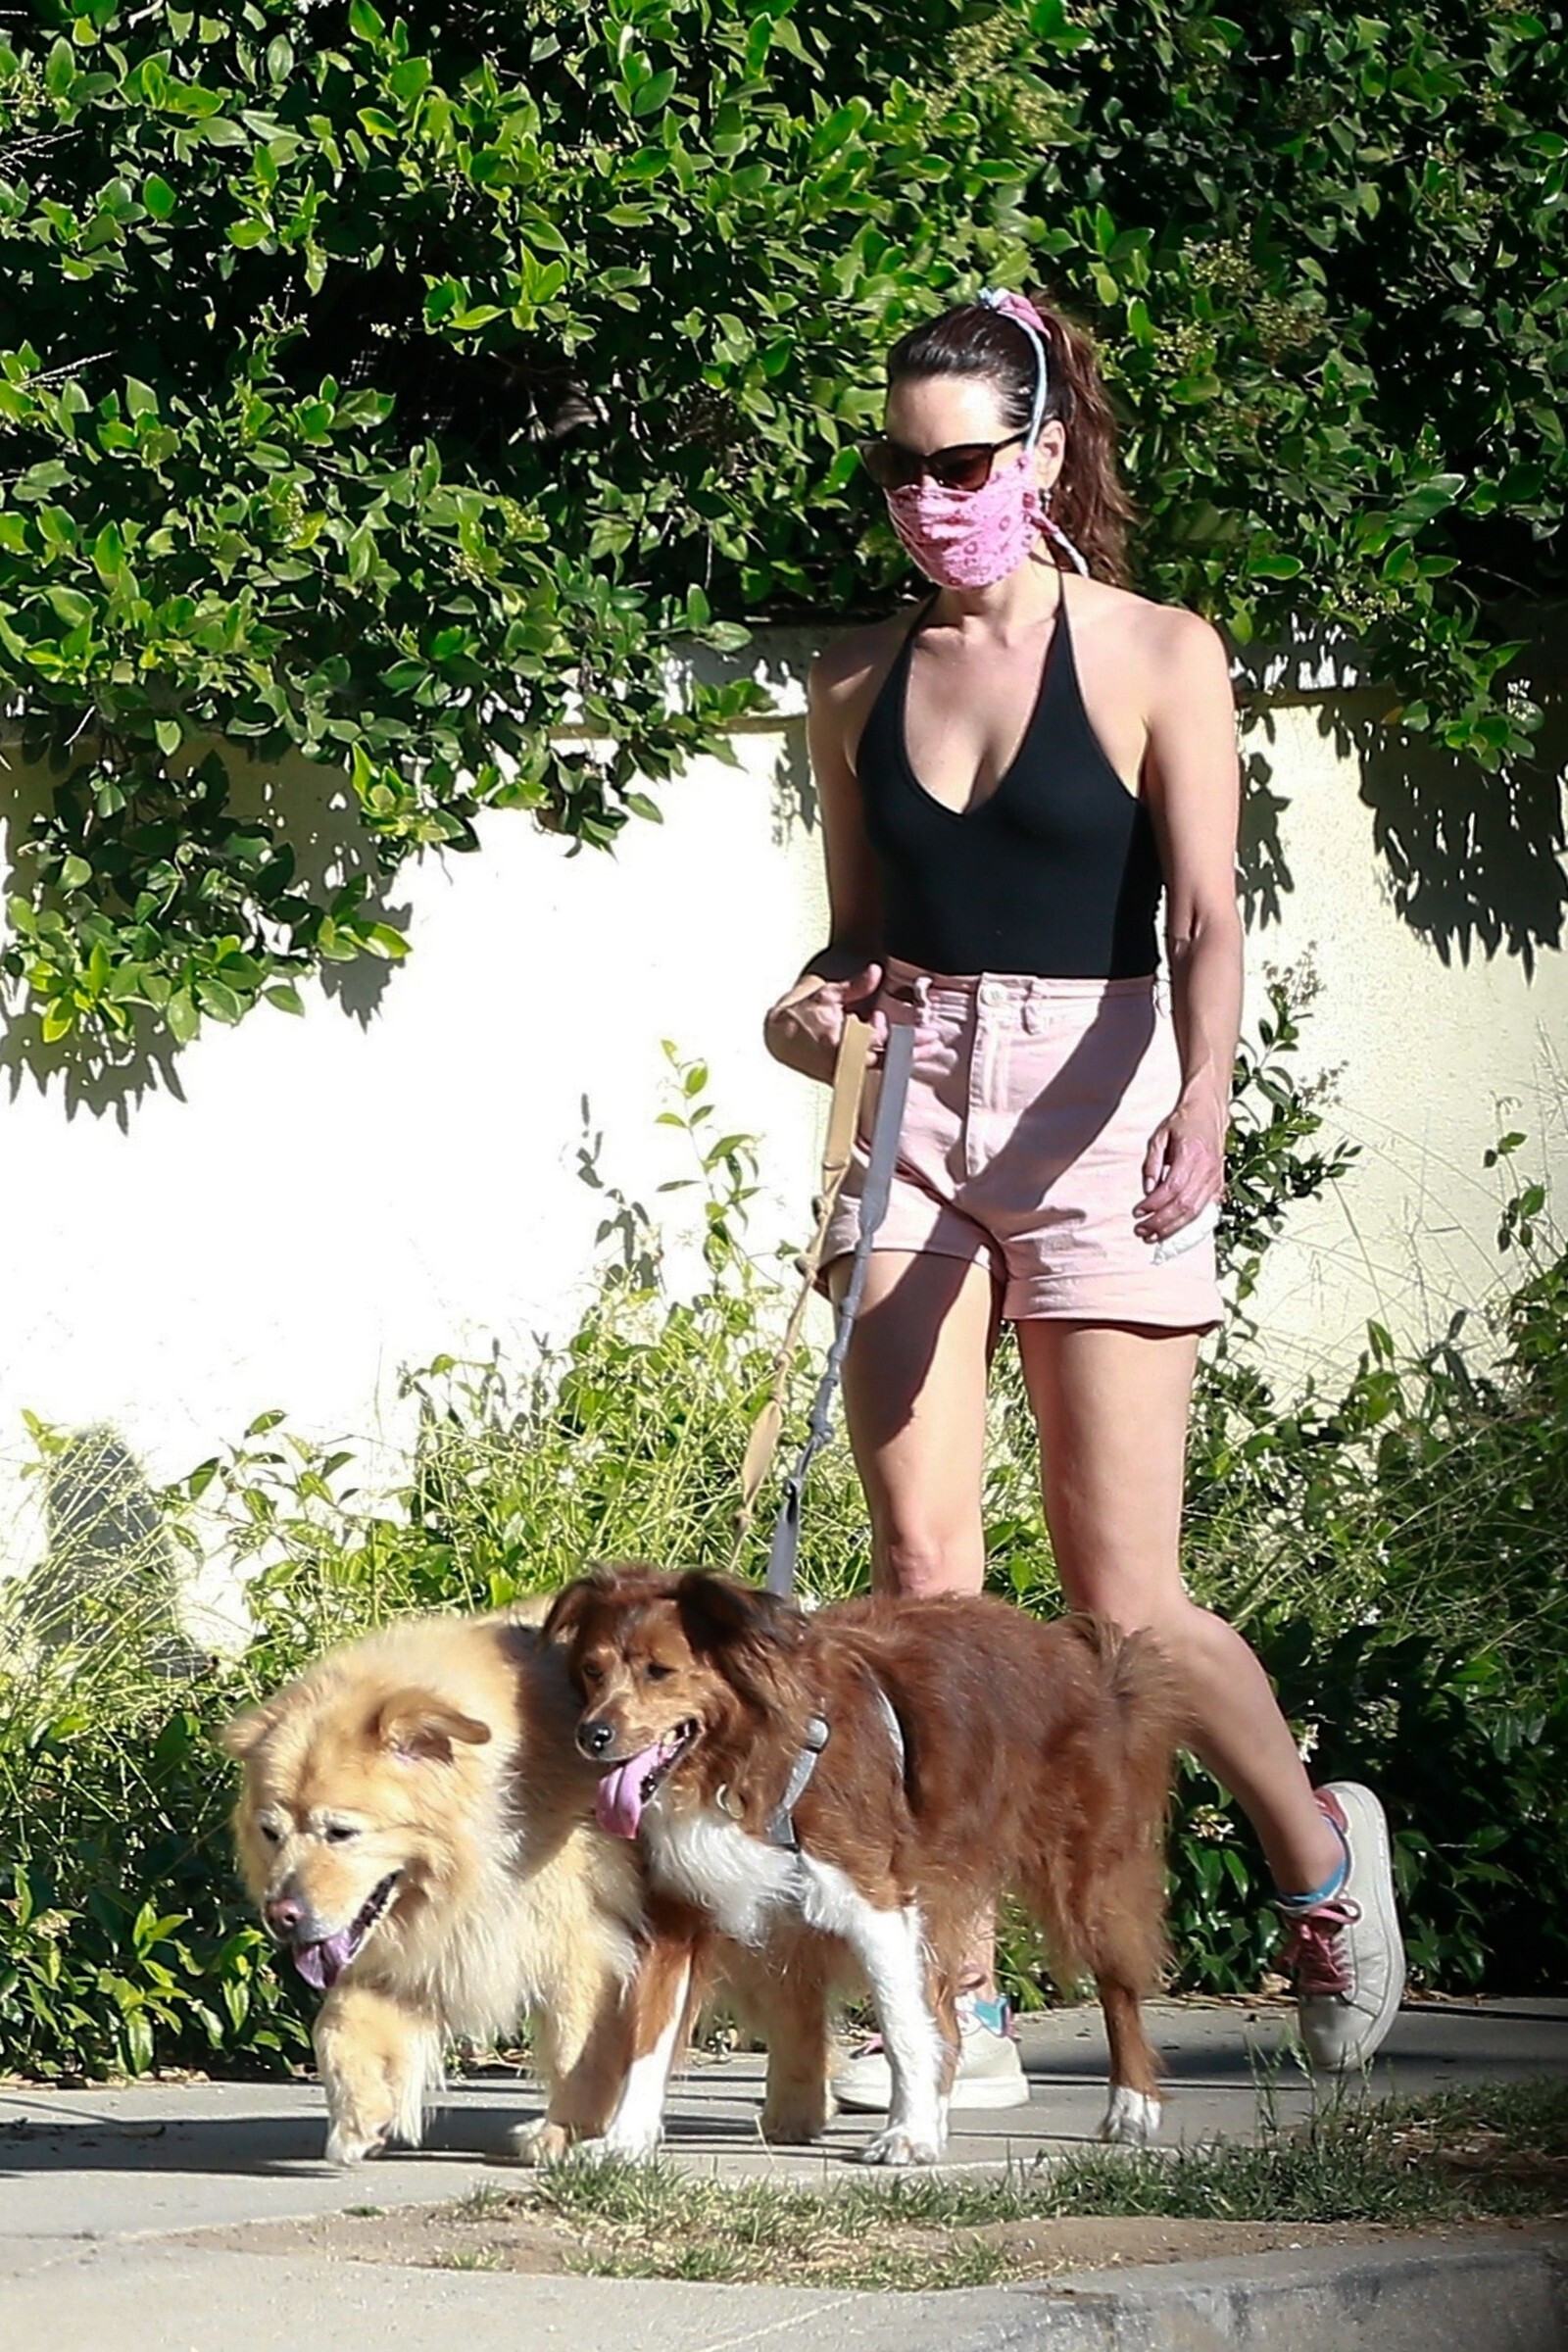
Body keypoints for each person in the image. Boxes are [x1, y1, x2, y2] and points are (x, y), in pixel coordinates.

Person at [761, 284, 1404, 2114]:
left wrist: (1205, 1096)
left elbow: (1205, 909)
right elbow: (857, 936)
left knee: (1126, 1605)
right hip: (919, 1106)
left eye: (962, 464)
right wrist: (810, 1010)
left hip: (1105, 1089)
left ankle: (1323, 1866)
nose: (927, 500)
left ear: (1040, 454)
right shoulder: (855, 685)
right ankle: (953, 2003)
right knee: (922, 1588)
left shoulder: (1155, 652)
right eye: (901, 469)